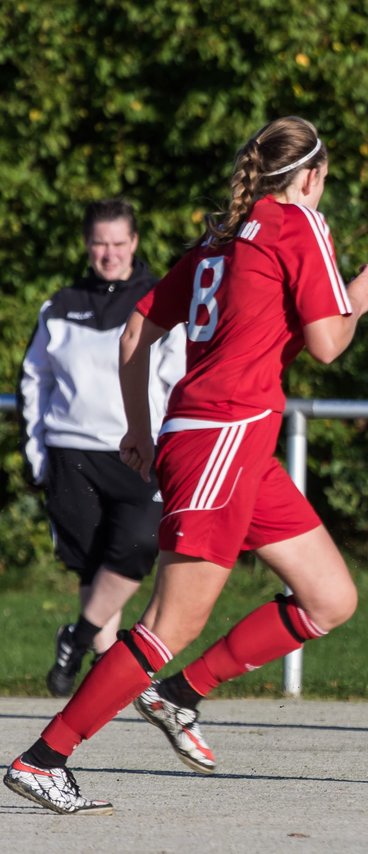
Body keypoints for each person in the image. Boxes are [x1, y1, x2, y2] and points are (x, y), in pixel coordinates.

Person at [4, 116, 368, 816]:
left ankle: (178, 694)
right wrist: (354, 307)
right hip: (224, 438)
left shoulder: (222, 238)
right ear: (313, 175)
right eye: (323, 177)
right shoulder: (298, 223)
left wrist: (143, 433)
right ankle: (45, 758)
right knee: (166, 626)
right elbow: (328, 345)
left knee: (331, 598)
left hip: (228, 439)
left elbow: (138, 331)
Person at [18, 199, 186, 697]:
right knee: (93, 566)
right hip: (71, 451)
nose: (109, 253)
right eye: (99, 243)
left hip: (139, 449)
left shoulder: (160, 300)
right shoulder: (60, 304)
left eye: (118, 243)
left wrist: (169, 445)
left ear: (134, 243)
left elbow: (176, 378)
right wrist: (36, 453)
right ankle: (107, 677)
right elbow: (35, 380)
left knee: (136, 546)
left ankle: (77, 639)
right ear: (88, 245)